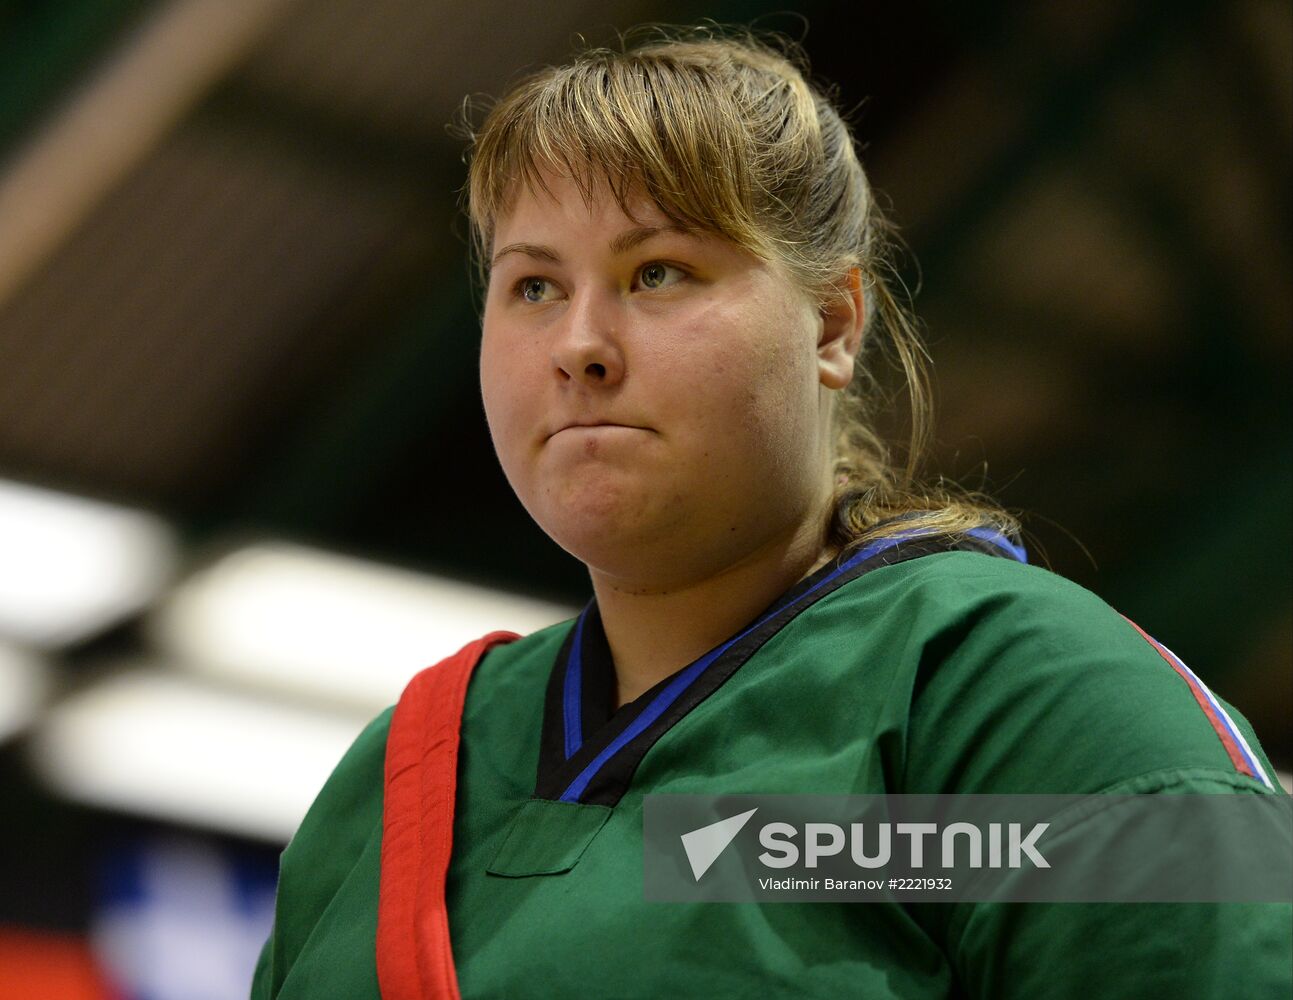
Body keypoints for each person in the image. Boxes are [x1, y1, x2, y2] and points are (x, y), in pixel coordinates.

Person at [250, 27, 1290, 999]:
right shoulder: (396, 780)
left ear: (833, 325)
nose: (580, 343)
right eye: (532, 288)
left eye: (657, 273)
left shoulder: (1023, 699)